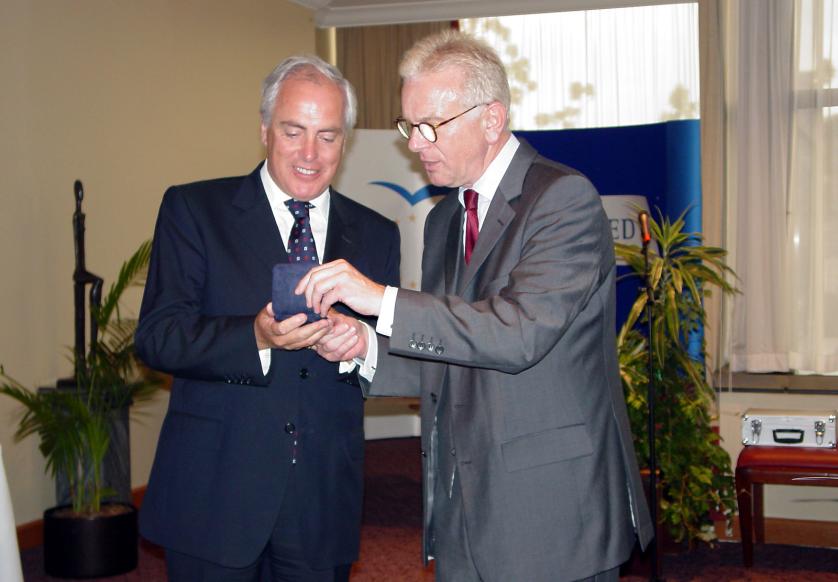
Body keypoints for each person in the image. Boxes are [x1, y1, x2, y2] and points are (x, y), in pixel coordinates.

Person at [299, 31, 654, 582]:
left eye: (430, 126)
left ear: (491, 120)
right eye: (408, 126)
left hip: (551, 514)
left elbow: (517, 334)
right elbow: (453, 350)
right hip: (463, 507)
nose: (416, 144)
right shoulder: (445, 218)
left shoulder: (563, 199)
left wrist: (380, 299)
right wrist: (365, 346)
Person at [134, 55, 401, 582]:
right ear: (264, 130)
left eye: (327, 136)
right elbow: (158, 338)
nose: (309, 153)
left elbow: (392, 356)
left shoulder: (377, 233)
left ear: (345, 141)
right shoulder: (195, 210)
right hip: (216, 494)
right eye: (293, 131)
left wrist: (361, 346)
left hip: (321, 501)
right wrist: (255, 336)